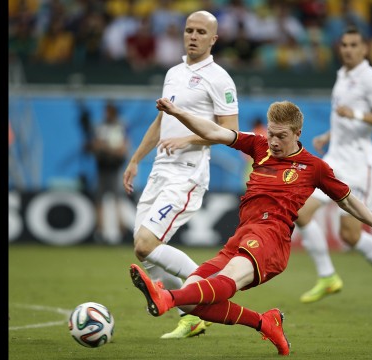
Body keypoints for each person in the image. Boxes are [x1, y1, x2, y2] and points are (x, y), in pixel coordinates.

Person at [129, 99, 372, 356]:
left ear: (297, 133)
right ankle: (265, 323)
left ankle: (167, 297)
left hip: (272, 238)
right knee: (193, 301)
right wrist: (179, 112)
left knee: (221, 282)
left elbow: (348, 200)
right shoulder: (258, 145)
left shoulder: (314, 167)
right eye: (271, 133)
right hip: (242, 234)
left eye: (281, 136)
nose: (274, 141)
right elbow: (215, 132)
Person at [122, 10, 239, 339]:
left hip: (187, 174)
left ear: (214, 38)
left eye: (202, 32)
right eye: (189, 30)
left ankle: (209, 290)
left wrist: (188, 138)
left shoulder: (219, 79)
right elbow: (161, 123)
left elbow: (230, 132)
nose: (193, 36)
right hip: (160, 171)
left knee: (147, 244)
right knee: (142, 250)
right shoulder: (173, 72)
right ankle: (192, 315)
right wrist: (135, 159)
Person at [295, 26, 372, 308]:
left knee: (350, 235)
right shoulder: (343, 75)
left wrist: (356, 113)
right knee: (299, 211)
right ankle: (328, 276)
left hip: (359, 165)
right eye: (343, 44)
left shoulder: (370, 78)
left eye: (353, 44)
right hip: (335, 159)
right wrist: (329, 135)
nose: (347, 49)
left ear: (364, 49)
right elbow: (345, 119)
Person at [89, 101, 129, 243]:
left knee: (117, 198)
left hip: (115, 168)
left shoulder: (120, 126)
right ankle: (99, 231)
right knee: (100, 200)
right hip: (102, 167)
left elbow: (122, 150)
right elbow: (95, 146)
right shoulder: (100, 126)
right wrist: (111, 149)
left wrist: (105, 148)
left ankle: (122, 230)